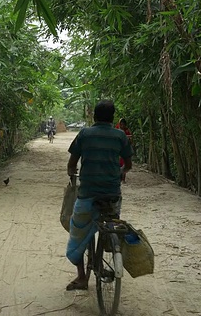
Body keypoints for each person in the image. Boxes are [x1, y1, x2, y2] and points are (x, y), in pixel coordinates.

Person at [65, 100, 133, 291]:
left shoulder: (85, 134)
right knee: (111, 224)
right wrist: (121, 172)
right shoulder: (120, 136)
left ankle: (81, 278)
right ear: (113, 118)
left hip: (88, 194)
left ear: (94, 116)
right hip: (112, 196)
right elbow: (128, 165)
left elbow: (72, 163)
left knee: (76, 232)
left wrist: (72, 174)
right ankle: (110, 245)